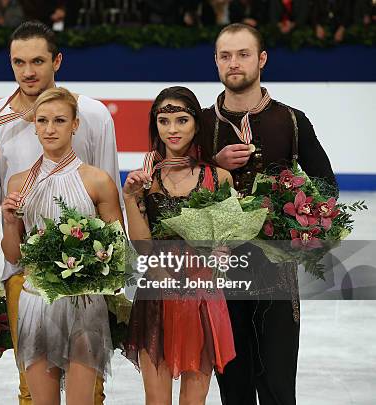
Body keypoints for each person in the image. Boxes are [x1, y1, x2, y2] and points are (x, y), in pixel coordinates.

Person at [0, 20, 120, 405]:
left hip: (86, 275)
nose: (28, 71)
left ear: (58, 61)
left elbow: (107, 190)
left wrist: (111, 270)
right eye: (19, 62)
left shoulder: (93, 114)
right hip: (23, 273)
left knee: (91, 386)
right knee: (30, 389)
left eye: (37, 61)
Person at [204, 23, 337, 405]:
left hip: (277, 275)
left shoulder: (292, 121)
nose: (234, 63)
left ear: (261, 59)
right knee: (234, 385)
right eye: (225, 55)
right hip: (221, 272)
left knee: (278, 385)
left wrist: (293, 216)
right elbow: (177, 193)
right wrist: (214, 166)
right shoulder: (202, 123)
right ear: (215, 61)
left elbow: (326, 187)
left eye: (243, 54)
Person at [0, 87, 122, 405]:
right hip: (35, 301)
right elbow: (14, 256)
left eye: (59, 120)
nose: (50, 128)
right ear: (35, 126)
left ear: (75, 125)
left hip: (84, 304)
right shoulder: (17, 183)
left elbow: (119, 250)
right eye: (42, 120)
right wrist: (11, 221)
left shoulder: (98, 181)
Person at [122, 86, 236, 405]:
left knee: (193, 401)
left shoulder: (219, 178)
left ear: (196, 124)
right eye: (164, 121)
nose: (172, 129)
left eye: (182, 120)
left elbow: (229, 237)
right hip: (157, 296)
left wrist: (223, 250)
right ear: (155, 125)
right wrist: (130, 197)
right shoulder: (144, 182)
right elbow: (142, 246)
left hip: (202, 296)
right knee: (156, 401)